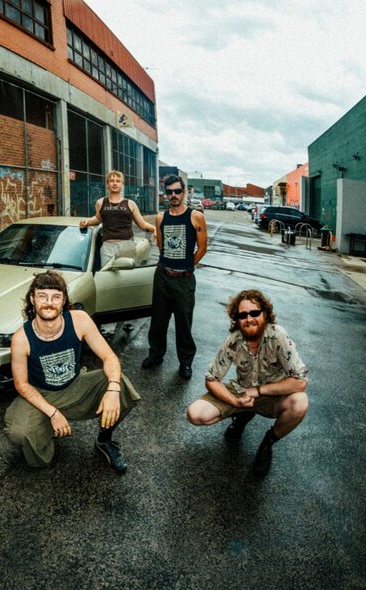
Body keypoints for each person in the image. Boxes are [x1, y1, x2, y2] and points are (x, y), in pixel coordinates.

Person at [4, 271, 140, 474]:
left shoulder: (79, 320)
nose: (49, 303)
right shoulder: (21, 338)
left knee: (118, 384)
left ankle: (104, 440)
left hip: (75, 385)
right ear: (32, 299)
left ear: (64, 300)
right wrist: (53, 413)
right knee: (19, 432)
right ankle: (47, 434)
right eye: (42, 296)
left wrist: (112, 390)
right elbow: (21, 384)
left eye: (56, 297)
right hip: (41, 393)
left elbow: (109, 358)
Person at [185, 289, 309, 476]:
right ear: (237, 319)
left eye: (254, 313)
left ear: (265, 314)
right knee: (195, 414)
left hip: (273, 396)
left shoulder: (278, 336)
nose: (249, 318)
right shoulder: (233, 340)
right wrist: (235, 402)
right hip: (242, 392)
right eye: (242, 315)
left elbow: (300, 382)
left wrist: (258, 391)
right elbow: (211, 379)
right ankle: (243, 414)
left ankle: (268, 442)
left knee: (300, 402)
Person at [141, 174, 208, 379]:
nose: (173, 195)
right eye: (169, 192)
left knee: (184, 324)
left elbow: (203, 248)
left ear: (184, 192)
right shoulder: (161, 217)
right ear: (165, 194)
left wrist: (186, 266)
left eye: (177, 191)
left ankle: (185, 362)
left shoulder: (195, 216)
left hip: (184, 279)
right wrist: (169, 265)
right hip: (162, 277)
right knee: (158, 321)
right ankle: (156, 355)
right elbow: (161, 245)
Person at [79, 170, 155, 266]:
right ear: (107, 185)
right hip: (107, 247)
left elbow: (143, 224)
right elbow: (98, 218)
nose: (115, 183)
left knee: (126, 277)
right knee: (108, 277)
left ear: (122, 185)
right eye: (111, 181)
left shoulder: (130, 204)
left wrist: (155, 229)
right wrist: (87, 221)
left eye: (118, 181)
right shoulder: (100, 202)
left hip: (127, 246)